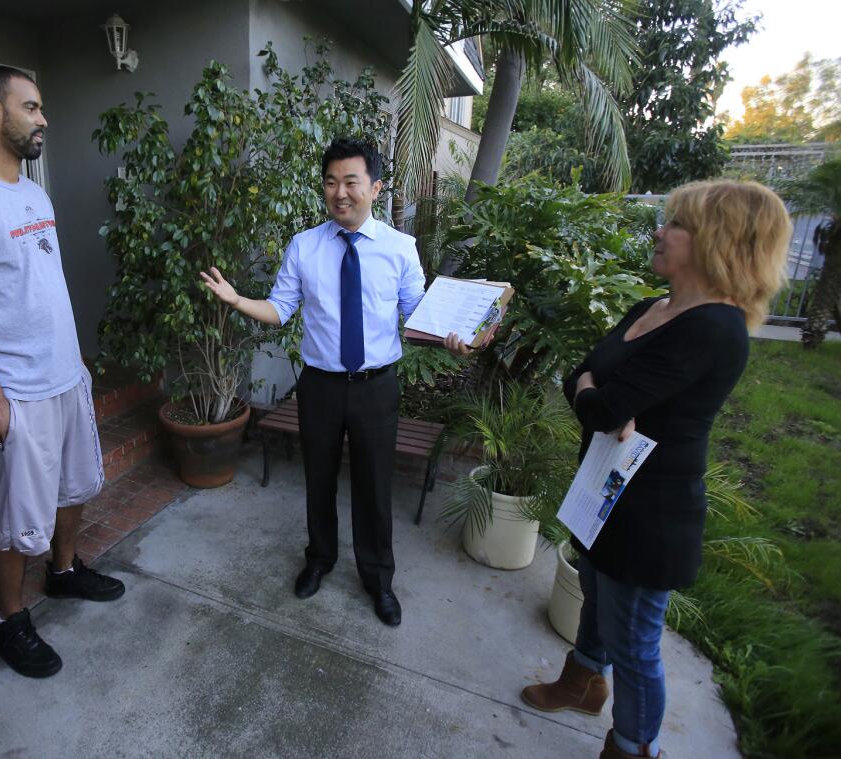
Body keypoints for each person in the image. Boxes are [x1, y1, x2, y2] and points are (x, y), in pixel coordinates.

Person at [519, 180, 791, 759]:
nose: (659, 232)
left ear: (716, 243)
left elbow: (601, 403)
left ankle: (632, 745)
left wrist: (597, 392)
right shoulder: (653, 308)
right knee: (594, 591)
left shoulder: (715, 330)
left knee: (637, 644)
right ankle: (582, 684)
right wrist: (595, 390)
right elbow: (584, 377)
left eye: (675, 225)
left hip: (651, 513)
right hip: (605, 487)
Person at [200, 137, 468, 626]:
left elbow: (418, 315)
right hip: (320, 386)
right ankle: (319, 559)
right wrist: (238, 301)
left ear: (376, 187)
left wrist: (451, 337)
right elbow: (280, 310)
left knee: (373, 487)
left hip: (376, 387)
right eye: (330, 182)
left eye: (351, 182)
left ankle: (378, 579)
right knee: (318, 480)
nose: (339, 192)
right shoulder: (305, 246)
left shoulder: (399, 248)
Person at [0, 65, 124, 679]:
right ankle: (9, 616)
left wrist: (76, 358)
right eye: (31, 107)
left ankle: (62, 571)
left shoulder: (34, 194)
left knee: (75, 485)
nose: (42, 119)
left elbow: (42, 285)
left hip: (64, 375)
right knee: (14, 515)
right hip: (15, 390)